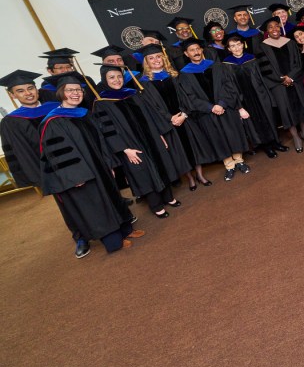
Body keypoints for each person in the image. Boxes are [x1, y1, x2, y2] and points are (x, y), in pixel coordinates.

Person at [39, 71, 145, 255]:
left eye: (79, 90)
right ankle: (113, 241)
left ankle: (126, 230)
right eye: (70, 90)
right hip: (82, 174)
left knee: (112, 196)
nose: (76, 93)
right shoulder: (53, 121)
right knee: (96, 204)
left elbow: (102, 140)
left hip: (100, 166)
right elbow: (57, 154)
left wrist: (110, 164)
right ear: (61, 93)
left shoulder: (84, 113)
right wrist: (75, 177)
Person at [0, 70, 87, 257]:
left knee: (90, 193)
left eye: (30, 88)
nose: (28, 93)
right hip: (50, 170)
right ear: (13, 95)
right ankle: (81, 237)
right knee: (69, 204)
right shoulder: (11, 122)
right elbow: (18, 154)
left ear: (37, 90)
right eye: (21, 91)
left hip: (76, 162)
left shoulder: (57, 107)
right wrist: (39, 177)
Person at [93, 65, 181, 219]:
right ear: (104, 80)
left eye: (119, 76)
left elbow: (150, 116)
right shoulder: (101, 103)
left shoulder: (133, 94)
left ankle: (168, 197)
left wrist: (159, 134)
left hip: (151, 137)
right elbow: (107, 131)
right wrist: (124, 149)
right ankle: (156, 205)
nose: (117, 80)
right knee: (143, 173)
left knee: (161, 164)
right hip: (130, 145)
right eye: (111, 77)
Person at [176, 38, 251, 182]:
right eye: (192, 50)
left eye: (198, 49)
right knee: (218, 138)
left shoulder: (217, 66)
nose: (196, 52)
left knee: (232, 133)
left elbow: (229, 86)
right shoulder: (184, 75)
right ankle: (229, 166)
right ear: (186, 54)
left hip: (225, 107)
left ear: (202, 50)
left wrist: (221, 104)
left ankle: (239, 161)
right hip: (207, 113)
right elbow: (189, 98)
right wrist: (211, 107)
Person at [138, 43, 210, 190]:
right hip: (169, 123)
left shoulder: (174, 75)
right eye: (151, 58)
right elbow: (152, 107)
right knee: (180, 152)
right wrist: (170, 118)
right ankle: (190, 178)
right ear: (147, 62)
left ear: (164, 58)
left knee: (193, 147)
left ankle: (200, 174)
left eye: (159, 56)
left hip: (185, 118)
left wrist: (183, 114)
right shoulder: (144, 83)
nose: (156, 60)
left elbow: (186, 97)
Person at [221, 33, 284, 158]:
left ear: (243, 45)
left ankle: (275, 142)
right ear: (228, 49)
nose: (236, 48)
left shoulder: (252, 58)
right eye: (232, 46)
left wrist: (268, 95)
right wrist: (239, 106)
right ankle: (266, 146)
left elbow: (262, 78)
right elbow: (229, 86)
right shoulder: (226, 65)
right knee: (255, 122)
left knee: (269, 118)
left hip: (260, 94)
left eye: (238, 44)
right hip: (245, 99)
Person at [258, 17, 304, 153]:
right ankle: (295, 136)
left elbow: (298, 62)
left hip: (295, 80)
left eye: (276, 26)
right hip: (278, 85)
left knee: (300, 106)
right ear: (267, 31)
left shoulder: (290, 42)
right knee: (286, 111)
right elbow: (264, 70)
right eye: (270, 27)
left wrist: (291, 77)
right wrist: (281, 79)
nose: (274, 29)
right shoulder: (262, 47)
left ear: (280, 27)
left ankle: (303, 131)